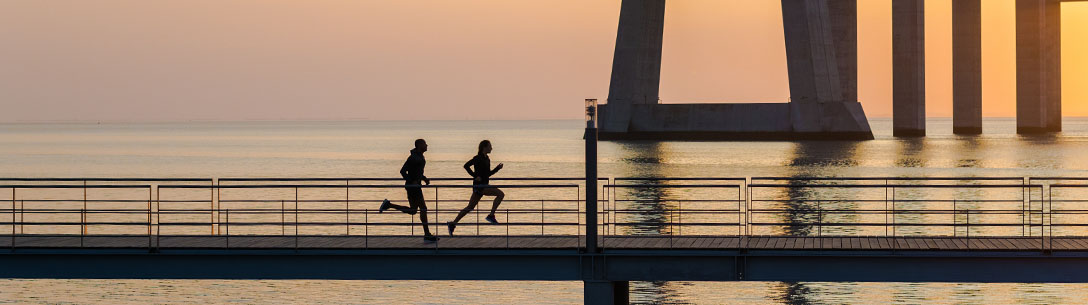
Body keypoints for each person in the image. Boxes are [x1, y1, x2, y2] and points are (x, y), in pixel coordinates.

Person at [380, 139, 438, 242]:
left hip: (415, 186)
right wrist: (412, 181)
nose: (427, 145)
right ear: (420, 145)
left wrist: (424, 178)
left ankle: (388, 205)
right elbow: (403, 171)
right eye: (425, 144)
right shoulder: (413, 157)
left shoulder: (419, 156)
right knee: (423, 208)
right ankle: (427, 234)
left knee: (413, 211)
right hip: (413, 187)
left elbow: (416, 172)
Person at [447, 140, 505, 235]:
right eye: (490, 146)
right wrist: (474, 176)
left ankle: (453, 223)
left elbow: (488, 174)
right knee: (500, 194)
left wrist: (497, 169)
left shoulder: (487, 159)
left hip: (484, 184)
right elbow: (466, 166)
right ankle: (491, 215)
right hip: (479, 186)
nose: (491, 148)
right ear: (484, 147)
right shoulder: (477, 158)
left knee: (470, 207)